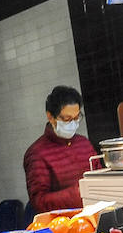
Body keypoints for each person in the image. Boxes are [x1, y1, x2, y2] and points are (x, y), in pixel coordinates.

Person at [23, 85, 98, 213]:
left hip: (95, 215)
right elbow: (39, 202)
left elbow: (98, 176)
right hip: (63, 226)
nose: (73, 123)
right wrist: (77, 194)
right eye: (67, 119)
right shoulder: (37, 154)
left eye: (77, 118)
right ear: (50, 117)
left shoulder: (84, 143)